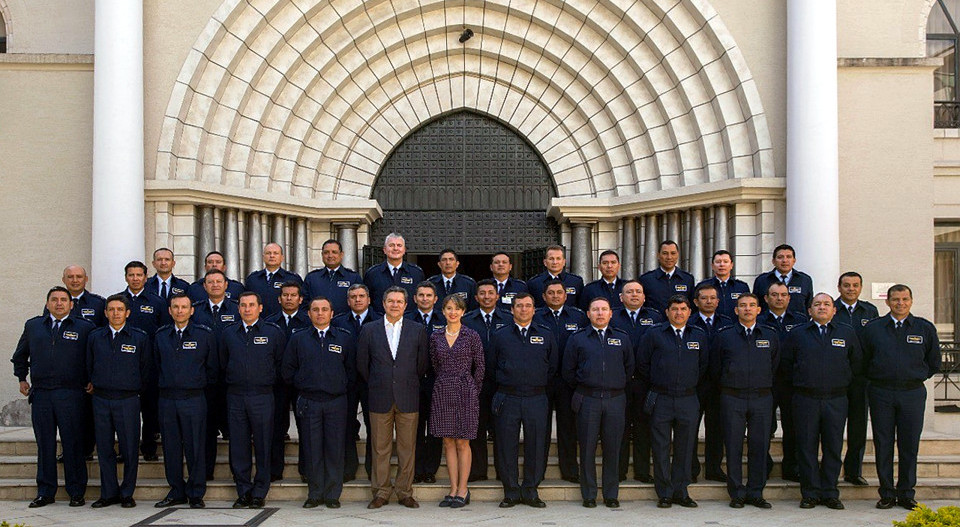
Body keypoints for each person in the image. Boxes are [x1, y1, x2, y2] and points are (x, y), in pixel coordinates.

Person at [13, 287, 95, 508]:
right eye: (54, 300)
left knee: (73, 444)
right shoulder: (33, 326)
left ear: (71, 304)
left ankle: (76, 492)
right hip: (42, 395)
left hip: (72, 395)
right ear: (47, 303)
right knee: (45, 445)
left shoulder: (85, 328)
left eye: (63, 300)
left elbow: (93, 358)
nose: (59, 303)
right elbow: (20, 356)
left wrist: (91, 380)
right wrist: (22, 378)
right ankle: (45, 491)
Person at [861, 284, 940, 510]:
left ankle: (906, 493)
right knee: (883, 443)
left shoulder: (924, 328)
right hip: (881, 392)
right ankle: (886, 493)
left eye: (905, 299)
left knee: (909, 445)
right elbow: (863, 360)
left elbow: (934, 361)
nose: (900, 303)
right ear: (887, 302)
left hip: (912, 393)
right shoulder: (874, 328)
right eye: (895, 299)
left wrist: (916, 376)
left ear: (911, 301)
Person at [782, 293, 861, 510]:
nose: (822, 307)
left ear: (834, 310)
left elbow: (856, 364)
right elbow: (786, 365)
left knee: (833, 448)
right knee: (806, 448)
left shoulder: (846, 333)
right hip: (805, 399)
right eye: (817, 304)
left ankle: (830, 492)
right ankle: (810, 493)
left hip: (836, 399)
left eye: (827, 304)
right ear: (809, 310)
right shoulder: (798, 334)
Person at [357, 286, 429, 509]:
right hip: (380, 396)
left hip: (408, 396)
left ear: (406, 305)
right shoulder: (369, 330)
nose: (395, 305)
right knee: (380, 448)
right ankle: (381, 492)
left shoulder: (417, 330)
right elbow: (363, 365)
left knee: (408, 448)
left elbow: (422, 364)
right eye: (391, 301)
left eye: (399, 301)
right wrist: (381, 382)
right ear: (383, 303)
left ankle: (405, 492)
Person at [282, 296, 355, 509]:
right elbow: (287, 370)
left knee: (334, 449)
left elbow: (351, 371)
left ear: (332, 313)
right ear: (309, 313)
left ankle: (332, 494)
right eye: (315, 309)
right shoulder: (299, 339)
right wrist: (304, 383)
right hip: (309, 401)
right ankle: (314, 493)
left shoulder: (344, 338)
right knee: (312, 449)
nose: (320, 313)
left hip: (336, 402)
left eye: (324, 309)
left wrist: (337, 385)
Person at [638, 295, 708, 509]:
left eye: (683, 309)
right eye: (675, 309)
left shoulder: (698, 335)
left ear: (689, 312)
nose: (679, 313)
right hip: (662, 398)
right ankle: (665, 492)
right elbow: (643, 363)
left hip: (688, 398)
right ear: (667, 312)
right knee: (660, 446)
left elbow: (703, 366)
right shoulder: (654, 334)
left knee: (686, 447)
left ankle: (681, 490)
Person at [563, 297, 634, 508]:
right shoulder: (577, 338)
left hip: (615, 400)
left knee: (613, 448)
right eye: (595, 310)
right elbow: (568, 370)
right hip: (588, 399)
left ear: (611, 313)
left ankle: (611, 494)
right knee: (587, 448)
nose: (600, 313)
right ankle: (589, 494)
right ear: (588, 314)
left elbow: (629, 367)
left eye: (604, 310)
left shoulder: (621, 338)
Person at [712, 293, 779, 509]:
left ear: (759, 310)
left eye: (752, 305)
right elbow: (715, 367)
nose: (747, 309)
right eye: (742, 306)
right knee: (733, 446)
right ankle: (737, 492)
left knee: (759, 446)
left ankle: (755, 492)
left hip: (761, 397)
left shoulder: (769, 335)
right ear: (736, 310)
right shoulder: (725, 335)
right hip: (733, 397)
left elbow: (775, 365)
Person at [219, 291, 286, 509]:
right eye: (243, 305)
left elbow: (280, 363)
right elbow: (222, 362)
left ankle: (259, 491)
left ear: (260, 308)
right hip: (236, 396)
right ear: (238, 309)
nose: (247, 309)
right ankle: (243, 490)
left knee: (264, 444)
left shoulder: (273, 332)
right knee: (238, 446)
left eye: (251, 305)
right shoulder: (228, 333)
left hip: (263, 396)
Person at [86, 294, 151, 509]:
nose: (115, 313)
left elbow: (146, 368)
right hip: (101, 399)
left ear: (128, 313)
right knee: (104, 448)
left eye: (120, 309)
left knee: (130, 448)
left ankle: (126, 493)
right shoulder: (95, 337)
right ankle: (108, 493)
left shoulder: (139, 337)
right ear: (105, 313)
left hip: (128, 400)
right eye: (111, 309)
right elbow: (89, 364)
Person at [491, 293, 556, 509]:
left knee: (536, 445)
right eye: (519, 306)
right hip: (507, 397)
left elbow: (553, 367)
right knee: (506, 445)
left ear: (534, 309)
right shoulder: (500, 335)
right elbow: (492, 366)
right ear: (512, 310)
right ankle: (510, 491)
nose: (524, 309)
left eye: (528, 306)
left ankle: (530, 490)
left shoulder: (546, 334)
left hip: (536, 397)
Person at [154, 293, 217, 509]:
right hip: (167, 400)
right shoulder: (161, 335)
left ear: (192, 310)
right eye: (175, 307)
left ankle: (196, 492)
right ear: (170, 311)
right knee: (171, 448)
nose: (180, 311)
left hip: (194, 399)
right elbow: (155, 366)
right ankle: (176, 490)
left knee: (195, 447)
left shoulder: (204, 335)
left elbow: (212, 368)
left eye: (184, 307)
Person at [429, 294, 484, 508]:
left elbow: (480, 366)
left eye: (457, 309)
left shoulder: (472, 335)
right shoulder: (435, 337)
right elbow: (434, 363)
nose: (453, 312)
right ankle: (452, 488)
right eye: (449, 308)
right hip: (443, 389)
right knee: (448, 441)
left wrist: (472, 389)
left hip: (465, 390)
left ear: (463, 312)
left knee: (463, 441)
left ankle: (463, 489)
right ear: (443, 311)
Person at [533, 280, 588, 483]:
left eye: (559, 293)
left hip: (568, 383)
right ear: (544, 296)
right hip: (542, 382)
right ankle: (538, 472)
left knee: (568, 428)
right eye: (551, 293)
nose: (555, 296)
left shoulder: (578, 316)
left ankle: (570, 470)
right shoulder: (536, 316)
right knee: (540, 429)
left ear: (566, 296)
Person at [609, 280, 663, 484]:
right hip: (619, 383)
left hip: (644, 382)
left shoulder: (655, 317)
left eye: (638, 292)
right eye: (629, 292)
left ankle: (642, 471)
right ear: (621, 297)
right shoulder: (612, 316)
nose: (634, 295)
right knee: (619, 429)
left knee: (643, 428)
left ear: (644, 296)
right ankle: (619, 471)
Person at [189, 269, 239, 481]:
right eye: (211, 282)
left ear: (226, 285)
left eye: (219, 281)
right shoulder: (196, 311)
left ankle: (237, 473)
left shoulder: (237, 309)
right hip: (205, 380)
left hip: (231, 380)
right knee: (206, 430)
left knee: (235, 430)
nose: (215, 285)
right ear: (204, 286)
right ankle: (206, 471)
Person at [461, 279, 512, 481]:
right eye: (482, 293)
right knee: (477, 428)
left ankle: (503, 471)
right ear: (476, 297)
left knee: (502, 429)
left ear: (497, 296)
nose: (487, 297)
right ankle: (478, 470)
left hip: (502, 383)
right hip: (476, 383)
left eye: (491, 293)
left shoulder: (508, 318)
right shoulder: (467, 320)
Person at [332, 284, 381, 482]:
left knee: (374, 427)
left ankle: (373, 469)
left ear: (369, 299)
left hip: (373, 382)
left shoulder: (380, 320)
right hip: (346, 382)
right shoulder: (338, 322)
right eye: (353, 297)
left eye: (362, 296)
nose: (358, 300)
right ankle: (347, 469)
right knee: (346, 426)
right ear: (348, 301)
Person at [834, 271, 879, 486]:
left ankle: (853, 471)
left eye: (855, 285)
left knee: (858, 428)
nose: (851, 289)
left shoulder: (870, 311)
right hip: (837, 379)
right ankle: (831, 471)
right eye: (846, 285)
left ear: (860, 287)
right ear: (839, 287)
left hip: (861, 379)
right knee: (833, 428)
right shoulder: (831, 309)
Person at [117, 261, 165, 462]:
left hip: (150, 364)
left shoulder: (157, 302)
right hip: (123, 364)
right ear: (126, 277)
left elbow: (164, 332)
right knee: (124, 411)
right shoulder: (117, 302)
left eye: (139, 275)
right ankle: (125, 449)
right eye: (131, 275)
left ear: (146, 277)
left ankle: (149, 447)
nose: (135, 278)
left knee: (149, 408)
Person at [756, 281, 804, 481]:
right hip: (767, 381)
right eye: (774, 295)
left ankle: (791, 466)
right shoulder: (758, 320)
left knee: (792, 426)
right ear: (766, 299)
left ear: (789, 298)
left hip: (792, 382)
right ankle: (763, 465)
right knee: (764, 426)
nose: (779, 298)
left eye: (783, 295)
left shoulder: (800, 320)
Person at [264, 282, 311, 482]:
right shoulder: (269, 323)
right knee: (276, 427)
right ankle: (275, 469)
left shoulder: (308, 322)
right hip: (277, 385)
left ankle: (306, 471)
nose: (289, 298)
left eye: (293, 295)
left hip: (301, 384)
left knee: (305, 428)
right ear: (279, 298)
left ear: (300, 299)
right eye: (285, 295)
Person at [689, 283, 733, 483]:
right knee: (690, 428)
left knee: (716, 429)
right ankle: (690, 468)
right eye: (704, 298)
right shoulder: (688, 322)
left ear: (718, 301)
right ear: (696, 302)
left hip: (718, 385)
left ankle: (714, 468)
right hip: (694, 385)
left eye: (712, 298)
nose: (708, 301)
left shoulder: (727, 323)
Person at [405, 282, 446, 484]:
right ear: (414, 298)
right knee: (416, 428)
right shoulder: (406, 320)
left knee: (435, 428)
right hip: (413, 381)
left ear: (435, 299)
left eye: (429, 295)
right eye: (420, 295)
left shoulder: (444, 319)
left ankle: (430, 469)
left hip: (438, 381)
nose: (424, 299)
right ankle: (416, 468)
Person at [363, 233, 425, 314]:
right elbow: (366, 301)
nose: (395, 248)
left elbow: (422, 299)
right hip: (380, 322)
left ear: (404, 250)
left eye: (399, 245)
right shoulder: (372, 274)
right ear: (384, 250)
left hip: (409, 322)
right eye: (391, 245)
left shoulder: (416, 273)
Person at [301, 239, 362, 316]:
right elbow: (303, 305)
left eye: (334, 252)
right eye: (326, 252)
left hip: (346, 325)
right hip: (318, 325)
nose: (330, 256)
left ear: (341, 254)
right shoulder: (312, 278)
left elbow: (360, 304)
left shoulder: (353, 277)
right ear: (322, 255)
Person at [244, 242, 304, 319]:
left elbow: (302, 303)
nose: (272, 256)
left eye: (275, 253)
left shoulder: (293, 278)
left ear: (282, 257)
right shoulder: (253, 279)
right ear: (263, 257)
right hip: (258, 325)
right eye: (268, 253)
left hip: (284, 323)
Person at [752, 244, 814, 314]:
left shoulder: (805, 280)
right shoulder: (762, 280)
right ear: (773, 261)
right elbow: (755, 306)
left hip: (798, 324)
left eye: (788, 257)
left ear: (794, 260)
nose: (784, 260)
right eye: (780, 257)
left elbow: (809, 307)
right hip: (767, 324)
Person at [639, 240, 696, 314]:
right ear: (658, 255)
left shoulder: (688, 279)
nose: (669, 257)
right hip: (654, 324)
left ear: (677, 255)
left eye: (673, 253)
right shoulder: (646, 279)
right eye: (665, 253)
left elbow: (692, 306)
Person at [695, 250, 750, 321]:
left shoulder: (742, 287)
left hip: (736, 329)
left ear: (731, 265)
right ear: (712, 266)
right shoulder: (702, 286)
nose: (722, 265)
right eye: (718, 262)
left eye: (725, 262)